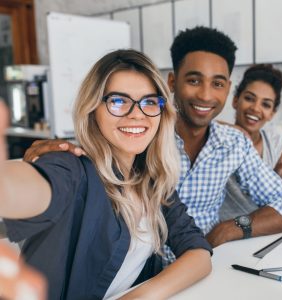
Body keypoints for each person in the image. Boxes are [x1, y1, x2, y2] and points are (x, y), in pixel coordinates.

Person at [22, 27, 282, 249]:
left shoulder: (234, 143)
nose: (206, 95)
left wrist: (228, 229)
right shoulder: (143, 134)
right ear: (172, 83)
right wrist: (54, 159)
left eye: (217, 84)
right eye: (194, 80)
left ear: (228, 88)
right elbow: (98, 153)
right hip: (140, 270)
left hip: (205, 263)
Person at [0, 50, 212, 299]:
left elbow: (199, 254)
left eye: (149, 102)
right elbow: (18, 189)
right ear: (92, 109)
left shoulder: (151, 180)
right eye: (118, 101)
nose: (137, 113)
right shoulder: (71, 167)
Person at [219, 64, 282, 220]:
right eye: (249, 98)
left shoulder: (274, 144)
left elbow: (277, 204)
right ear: (236, 101)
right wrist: (233, 130)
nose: (256, 108)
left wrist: (278, 179)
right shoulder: (219, 137)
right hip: (224, 232)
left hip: (262, 230)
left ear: (272, 114)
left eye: (266, 104)